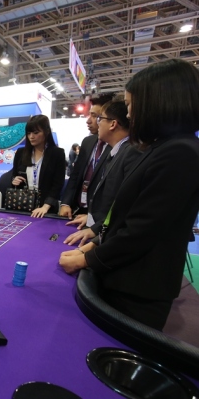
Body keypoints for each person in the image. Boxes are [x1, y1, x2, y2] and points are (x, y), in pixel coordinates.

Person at [59, 59, 199, 330]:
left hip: (138, 288)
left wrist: (88, 258)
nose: (130, 114)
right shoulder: (164, 147)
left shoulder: (180, 152)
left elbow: (141, 229)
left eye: (132, 105)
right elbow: (128, 213)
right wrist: (96, 243)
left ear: (158, 102)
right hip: (126, 278)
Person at [63, 98, 140, 246]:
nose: (97, 123)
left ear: (113, 124)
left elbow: (122, 204)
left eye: (100, 118)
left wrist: (96, 232)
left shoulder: (130, 152)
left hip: (111, 240)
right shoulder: (118, 151)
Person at [59, 94, 114, 219]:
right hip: (76, 210)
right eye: (90, 115)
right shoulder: (87, 142)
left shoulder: (118, 147)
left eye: (95, 116)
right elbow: (75, 175)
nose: (88, 120)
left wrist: (93, 217)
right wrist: (65, 203)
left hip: (97, 216)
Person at [9, 114, 66, 218]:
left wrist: (45, 207)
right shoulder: (21, 153)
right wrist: (14, 180)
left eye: (36, 133)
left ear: (46, 132)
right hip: (23, 205)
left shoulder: (57, 154)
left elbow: (57, 185)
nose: (31, 136)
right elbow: (14, 176)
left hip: (46, 209)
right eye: (29, 133)